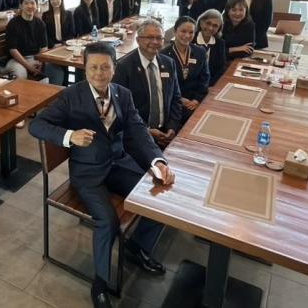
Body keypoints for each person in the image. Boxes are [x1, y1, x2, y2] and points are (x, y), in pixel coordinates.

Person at [29, 42, 174, 308]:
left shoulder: (123, 94)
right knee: (107, 221)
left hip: (118, 164)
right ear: (84, 68)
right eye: (93, 67)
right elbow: (37, 125)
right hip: (88, 173)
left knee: (160, 195)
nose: (99, 73)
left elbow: (138, 131)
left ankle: (137, 246)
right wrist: (69, 136)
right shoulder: (71, 96)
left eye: (105, 67)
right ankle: (100, 284)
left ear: (114, 68)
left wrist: (157, 161)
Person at [112, 19, 183, 148]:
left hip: (166, 133)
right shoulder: (124, 67)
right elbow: (120, 107)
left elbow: (176, 98)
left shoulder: (169, 63)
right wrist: (146, 130)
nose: (155, 42)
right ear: (138, 40)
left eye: (159, 38)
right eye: (149, 37)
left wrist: (172, 127)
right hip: (136, 135)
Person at [161, 16, 210, 121]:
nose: (187, 35)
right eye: (183, 31)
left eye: (191, 32)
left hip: (195, 101)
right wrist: (180, 99)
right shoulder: (163, 55)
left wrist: (197, 99)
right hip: (172, 102)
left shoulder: (200, 52)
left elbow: (205, 78)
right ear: (175, 31)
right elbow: (163, 84)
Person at [4, 0, 49, 81]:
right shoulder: (13, 24)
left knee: (53, 69)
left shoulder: (40, 23)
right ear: (21, 6)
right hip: (16, 60)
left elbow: (44, 46)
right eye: (26, 3)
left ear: (37, 6)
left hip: (35, 58)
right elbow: (13, 50)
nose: (29, 6)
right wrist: (28, 66)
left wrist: (40, 62)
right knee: (21, 74)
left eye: (32, 3)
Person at [194, 9, 228, 83]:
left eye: (215, 26)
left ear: (219, 29)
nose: (210, 28)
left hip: (211, 84)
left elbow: (221, 69)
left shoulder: (220, 43)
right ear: (201, 23)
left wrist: (210, 84)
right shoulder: (191, 40)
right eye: (208, 23)